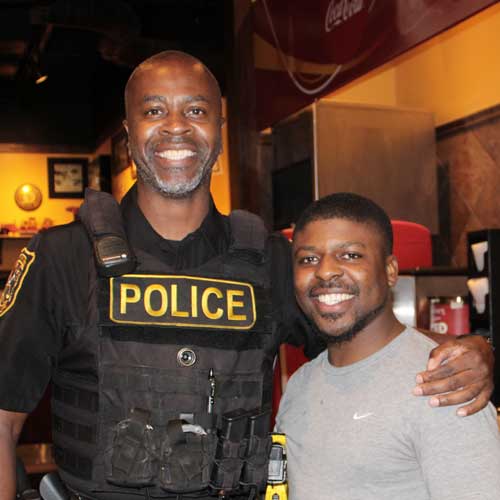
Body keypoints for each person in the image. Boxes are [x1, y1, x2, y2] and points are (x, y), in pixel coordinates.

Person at [0, 51, 493, 500]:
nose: (176, 127)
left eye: (195, 111)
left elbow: (372, 345)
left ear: (219, 127)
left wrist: (473, 351)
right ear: (129, 136)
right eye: (154, 111)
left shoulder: (272, 261)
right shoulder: (62, 257)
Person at [276, 192, 500, 500]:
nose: (325, 271)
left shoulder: (445, 384)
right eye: (308, 259)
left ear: (390, 271)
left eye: (350, 255)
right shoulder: (299, 385)